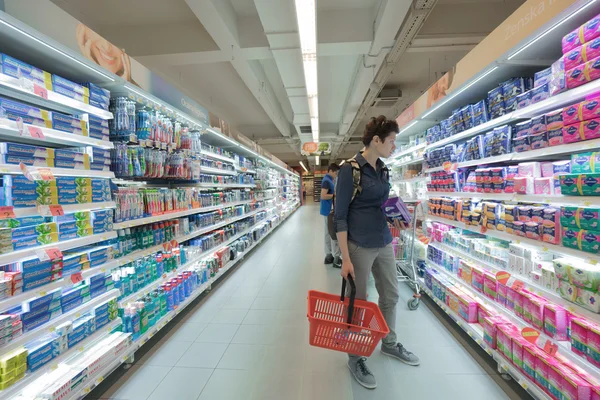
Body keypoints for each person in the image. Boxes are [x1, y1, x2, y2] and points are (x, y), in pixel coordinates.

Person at [335, 115, 420, 389]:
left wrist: (395, 215)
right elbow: (340, 217)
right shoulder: (351, 169)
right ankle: (355, 356)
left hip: (384, 241)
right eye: (392, 141)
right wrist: (345, 258)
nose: (394, 146)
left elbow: (382, 204)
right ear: (376, 140)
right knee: (358, 301)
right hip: (358, 244)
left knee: (391, 294)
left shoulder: (383, 169)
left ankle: (389, 343)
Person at [321, 164, 341, 268]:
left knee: (328, 233)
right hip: (329, 211)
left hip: (327, 210)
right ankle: (335, 257)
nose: (336, 175)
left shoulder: (329, 180)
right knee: (333, 234)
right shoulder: (327, 181)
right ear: (331, 171)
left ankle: (329, 256)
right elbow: (323, 196)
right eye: (336, 173)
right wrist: (335, 195)